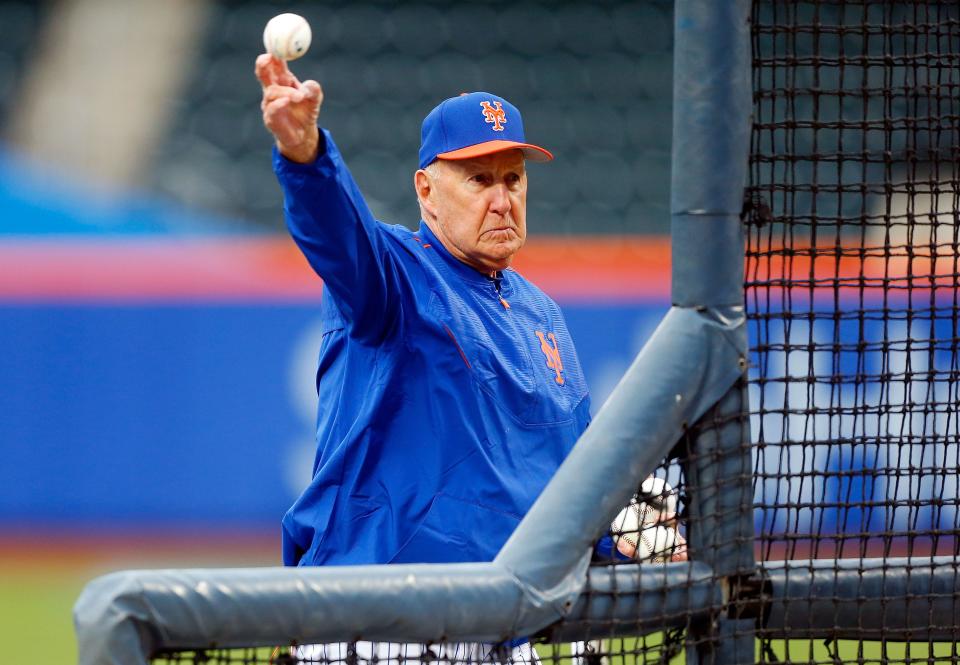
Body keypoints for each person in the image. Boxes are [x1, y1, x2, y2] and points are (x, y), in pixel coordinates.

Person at [255, 53, 592, 571]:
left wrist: (620, 530)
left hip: (503, 612)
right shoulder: (398, 277)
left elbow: (570, 473)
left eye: (513, 179)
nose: (503, 200)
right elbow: (340, 237)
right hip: (379, 614)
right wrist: (307, 159)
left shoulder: (540, 313)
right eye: (479, 180)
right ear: (426, 191)